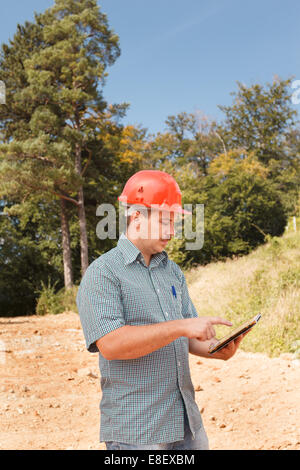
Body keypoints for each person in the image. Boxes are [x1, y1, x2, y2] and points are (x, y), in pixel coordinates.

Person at [76, 170, 248, 450]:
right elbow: (111, 344)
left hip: (186, 425)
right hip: (137, 432)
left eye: (175, 223)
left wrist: (217, 349)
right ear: (137, 217)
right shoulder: (103, 273)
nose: (172, 231)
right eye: (165, 222)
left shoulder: (172, 271)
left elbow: (190, 336)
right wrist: (181, 326)